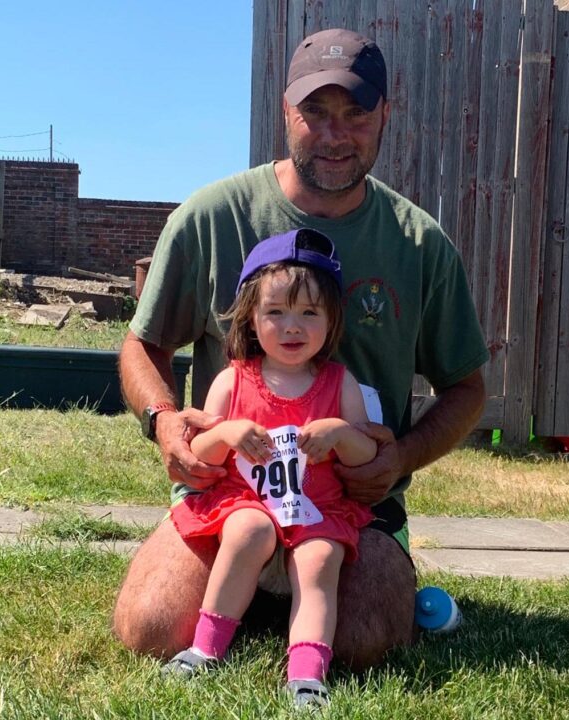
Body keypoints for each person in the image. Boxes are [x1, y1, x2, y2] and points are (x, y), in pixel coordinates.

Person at [113, 27, 489, 671]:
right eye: (315, 111)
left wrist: (399, 455)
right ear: (286, 110)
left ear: (385, 116)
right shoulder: (212, 216)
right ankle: (247, 594)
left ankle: (312, 605)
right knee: (148, 628)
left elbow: (466, 386)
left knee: (366, 641)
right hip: (229, 496)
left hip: (349, 508)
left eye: (356, 113)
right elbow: (141, 345)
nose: (335, 134)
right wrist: (164, 421)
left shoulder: (419, 244)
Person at [163, 228, 376, 707]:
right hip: (248, 501)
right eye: (275, 312)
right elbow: (206, 455)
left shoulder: (341, 384)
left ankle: (306, 674)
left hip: (316, 508)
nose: (292, 326)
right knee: (247, 531)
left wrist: (341, 433)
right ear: (252, 320)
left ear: (331, 320)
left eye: (308, 313)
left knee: (320, 560)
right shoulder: (232, 380)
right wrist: (228, 433)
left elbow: (367, 454)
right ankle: (205, 648)